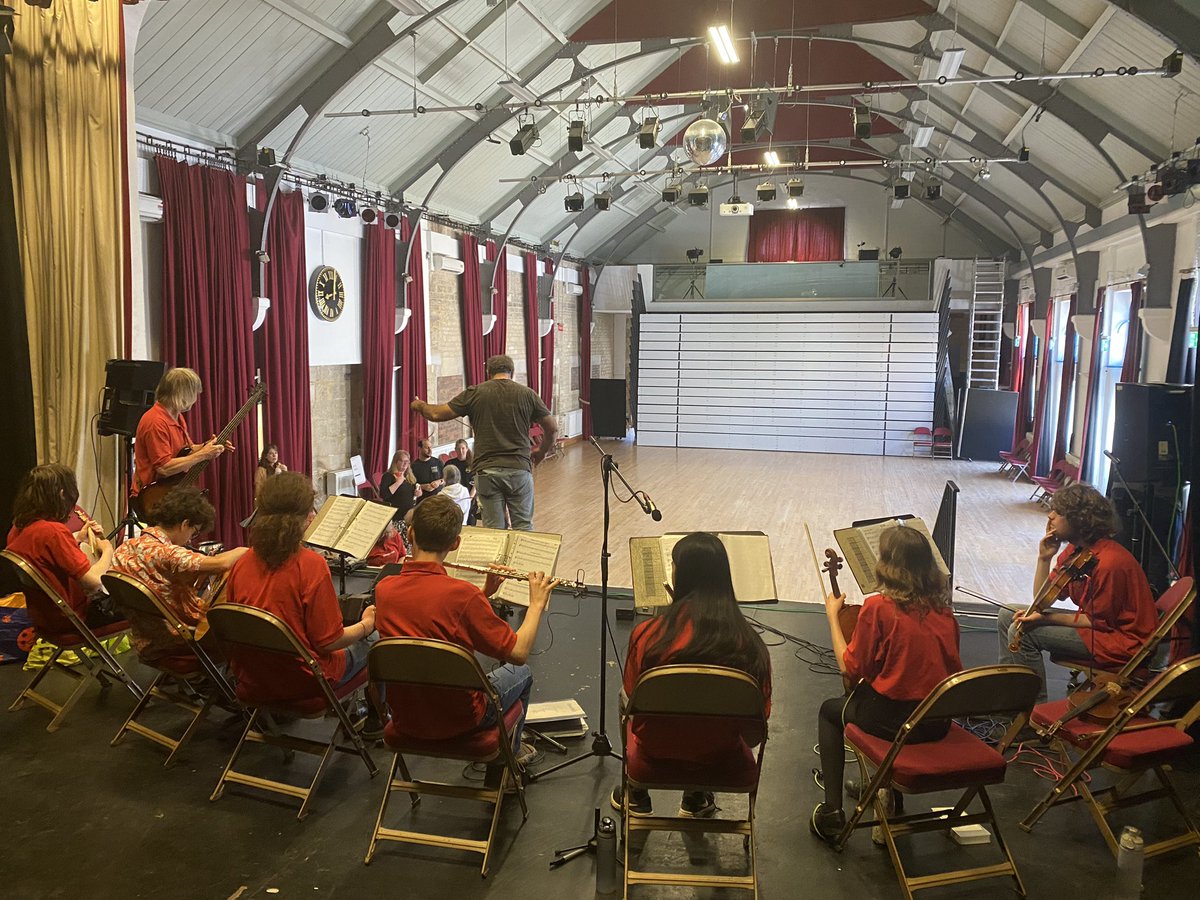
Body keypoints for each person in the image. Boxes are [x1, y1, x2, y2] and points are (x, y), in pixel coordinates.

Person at [374, 494, 557, 768]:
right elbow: (518, 652)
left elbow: (431, 622)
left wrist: (484, 594)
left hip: (406, 717)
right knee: (522, 674)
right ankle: (509, 760)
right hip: (463, 719)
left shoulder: (384, 590)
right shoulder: (462, 596)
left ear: (410, 534)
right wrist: (536, 605)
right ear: (456, 543)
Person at [811, 525, 961, 842]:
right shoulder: (944, 613)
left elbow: (848, 669)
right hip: (935, 722)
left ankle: (832, 812)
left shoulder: (878, 608)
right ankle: (882, 788)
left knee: (831, 711)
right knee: (871, 697)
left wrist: (832, 617)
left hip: (894, 724)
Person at [614, 532, 772, 819]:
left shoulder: (647, 635)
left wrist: (670, 615)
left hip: (655, 750)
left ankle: (636, 794)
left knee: (624, 695)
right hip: (721, 756)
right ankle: (697, 796)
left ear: (680, 575)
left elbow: (632, 702)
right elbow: (755, 731)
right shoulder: (750, 645)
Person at [222, 472, 383, 732]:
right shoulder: (311, 565)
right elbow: (329, 642)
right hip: (306, 681)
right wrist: (367, 624)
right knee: (377, 639)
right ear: (306, 517)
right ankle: (375, 720)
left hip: (253, 677)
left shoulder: (241, 564)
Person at [998, 482, 1156, 703]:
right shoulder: (1075, 550)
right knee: (1006, 615)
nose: (1050, 515)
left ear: (1079, 520)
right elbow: (1041, 600)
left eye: (1059, 512)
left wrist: (1044, 619)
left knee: (1020, 630)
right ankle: (1009, 702)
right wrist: (1044, 558)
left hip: (1119, 641)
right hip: (1097, 629)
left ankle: (1028, 712)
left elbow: (1097, 622)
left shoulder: (1110, 562)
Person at [410, 354, 556, 531]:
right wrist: (541, 451)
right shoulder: (528, 394)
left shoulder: (475, 393)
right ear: (512, 372)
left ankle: (497, 560)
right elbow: (552, 429)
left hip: (487, 473)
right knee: (523, 527)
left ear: (488, 372)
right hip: (519, 470)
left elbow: (436, 414)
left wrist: (419, 405)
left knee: (494, 529)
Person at [112, 487, 248, 663]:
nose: (191, 538)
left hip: (146, 638)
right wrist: (245, 550)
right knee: (245, 632)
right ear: (185, 524)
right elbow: (221, 563)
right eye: (194, 531)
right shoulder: (166, 553)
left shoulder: (124, 548)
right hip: (177, 639)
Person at [6, 464, 119, 633]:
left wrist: (78, 538)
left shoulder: (18, 527)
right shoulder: (53, 532)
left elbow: (42, 551)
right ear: (62, 494)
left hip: (44, 618)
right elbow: (94, 583)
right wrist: (108, 550)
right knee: (143, 603)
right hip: (76, 617)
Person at [132, 367, 230, 498]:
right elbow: (164, 468)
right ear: (182, 393)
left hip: (170, 491)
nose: (195, 398)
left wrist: (210, 445)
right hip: (152, 496)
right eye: (194, 393)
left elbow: (185, 450)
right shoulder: (155, 422)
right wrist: (204, 454)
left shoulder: (176, 416)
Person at [379, 449, 420, 518]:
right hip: (395, 515)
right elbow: (383, 495)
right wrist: (398, 483)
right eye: (402, 461)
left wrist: (418, 493)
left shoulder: (409, 476)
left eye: (407, 461)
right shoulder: (388, 476)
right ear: (395, 462)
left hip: (409, 514)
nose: (405, 464)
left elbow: (413, 492)